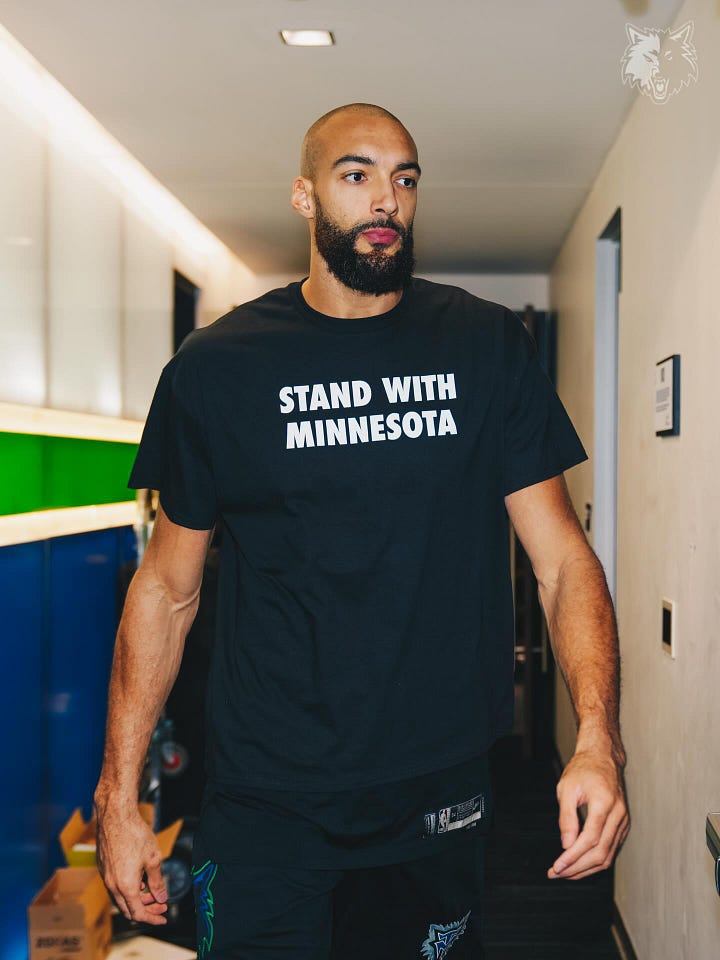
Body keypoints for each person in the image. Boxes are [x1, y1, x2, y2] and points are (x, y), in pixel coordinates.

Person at [94, 102, 629, 959]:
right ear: (305, 197)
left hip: (434, 790)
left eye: (404, 178)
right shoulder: (219, 369)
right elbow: (166, 588)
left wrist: (598, 740)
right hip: (267, 798)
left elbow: (563, 561)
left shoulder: (485, 346)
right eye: (357, 175)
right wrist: (120, 797)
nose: (386, 199)